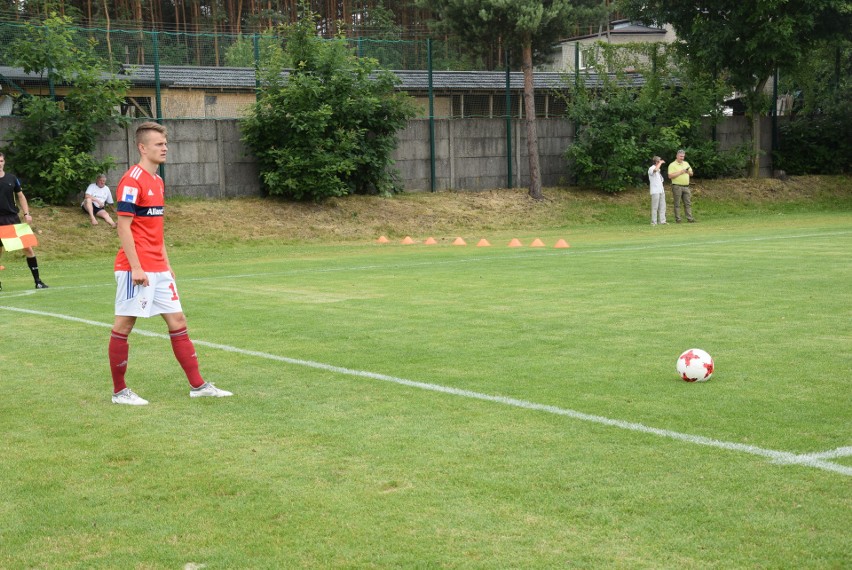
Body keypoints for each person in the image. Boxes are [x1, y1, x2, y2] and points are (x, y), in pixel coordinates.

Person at [109, 121, 232, 405]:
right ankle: (120, 392)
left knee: (178, 321)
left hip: (159, 267)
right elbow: (123, 227)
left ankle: (198, 386)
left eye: (165, 143)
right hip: (135, 269)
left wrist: (166, 262)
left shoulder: (158, 181)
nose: (165, 148)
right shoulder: (132, 180)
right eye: (158, 144)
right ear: (142, 148)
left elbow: (156, 228)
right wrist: (137, 267)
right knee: (124, 326)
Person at [0, 152, 49, 292]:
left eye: (1, 161)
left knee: (28, 248)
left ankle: (38, 281)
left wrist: (26, 213)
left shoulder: (12, 178)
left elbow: (21, 196)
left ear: (4, 162)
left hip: (12, 219)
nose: (0, 163)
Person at [667, 149, 695, 223]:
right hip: (677, 186)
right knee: (677, 203)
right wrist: (681, 172)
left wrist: (688, 171)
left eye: (683, 156)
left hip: (686, 186)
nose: (682, 158)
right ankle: (678, 219)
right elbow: (670, 176)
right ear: (677, 156)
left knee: (688, 203)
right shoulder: (672, 165)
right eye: (680, 156)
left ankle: (690, 218)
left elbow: (691, 174)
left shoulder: (686, 163)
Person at [648, 156, 667, 225]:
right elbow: (654, 170)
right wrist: (661, 163)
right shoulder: (651, 168)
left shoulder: (658, 170)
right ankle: (654, 222)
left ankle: (662, 221)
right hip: (655, 191)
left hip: (661, 190)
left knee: (662, 206)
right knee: (655, 207)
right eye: (659, 161)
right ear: (656, 162)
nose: (660, 162)